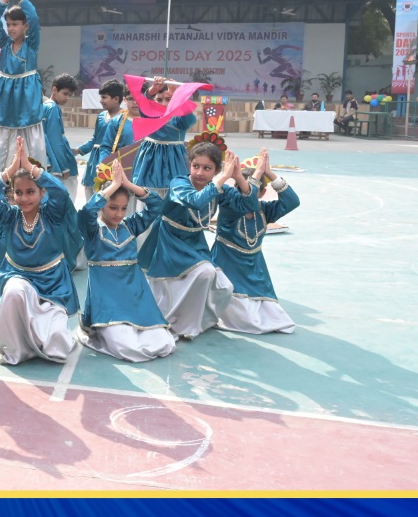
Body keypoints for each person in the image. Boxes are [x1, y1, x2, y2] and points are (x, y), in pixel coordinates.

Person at [0, 137, 79, 365]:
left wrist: (31, 168)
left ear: (42, 192)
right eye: (18, 192)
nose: (24, 198)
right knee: (14, 292)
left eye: (30, 192)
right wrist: (10, 171)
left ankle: (41, 338)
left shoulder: (52, 215)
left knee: (57, 347)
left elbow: (61, 193)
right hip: (18, 277)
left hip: (53, 284)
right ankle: (16, 348)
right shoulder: (9, 216)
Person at [77, 160, 175, 363]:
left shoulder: (130, 226)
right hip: (107, 302)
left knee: (164, 342)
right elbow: (86, 211)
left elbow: (157, 205)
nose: (119, 214)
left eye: (123, 208)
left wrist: (128, 185)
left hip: (136, 297)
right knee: (127, 347)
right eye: (113, 207)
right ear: (102, 204)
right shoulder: (93, 231)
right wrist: (113, 185)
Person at [140, 142, 235, 338]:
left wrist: (240, 177)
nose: (199, 172)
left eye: (207, 168)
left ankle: (193, 321)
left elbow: (247, 205)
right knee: (181, 281)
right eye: (195, 166)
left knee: (224, 286)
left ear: (216, 170)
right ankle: (174, 322)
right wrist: (223, 178)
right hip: (168, 241)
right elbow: (194, 201)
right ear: (189, 165)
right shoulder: (179, 183)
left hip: (194, 243)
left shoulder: (217, 188)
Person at [212, 149, 300, 334]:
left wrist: (269, 173)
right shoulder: (230, 208)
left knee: (275, 317)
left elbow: (292, 201)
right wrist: (256, 173)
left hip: (256, 272)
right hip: (228, 268)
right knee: (246, 317)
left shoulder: (265, 211)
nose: (246, 193)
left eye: (254, 190)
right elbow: (248, 201)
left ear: (262, 192)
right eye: (240, 187)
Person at [0, 0, 46, 168]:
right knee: (0, 137)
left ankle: (30, 170)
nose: (10, 28)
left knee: (29, 135)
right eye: (8, 24)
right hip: (4, 97)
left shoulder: (31, 44)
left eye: (15, 24)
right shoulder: (4, 43)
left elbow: (34, 18)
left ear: (25, 26)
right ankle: (2, 172)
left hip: (26, 96)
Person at [129, 77, 201, 195]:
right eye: (159, 99)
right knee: (147, 193)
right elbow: (144, 105)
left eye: (168, 99)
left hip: (174, 161)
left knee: (174, 193)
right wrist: (152, 90)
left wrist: (176, 94)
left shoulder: (179, 119)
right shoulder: (149, 115)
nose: (164, 103)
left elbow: (189, 118)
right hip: (149, 161)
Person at [77, 81, 128, 198]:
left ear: (116, 99)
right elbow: (95, 139)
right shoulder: (101, 116)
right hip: (94, 161)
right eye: (101, 97)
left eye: (104, 97)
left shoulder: (124, 119)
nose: (101, 101)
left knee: (108, 195)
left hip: (112, 161)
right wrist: (78, 150)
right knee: (90, 192)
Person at [42, 74, 80, 200]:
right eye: (65, 93)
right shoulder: (53, 108)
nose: (67, 98)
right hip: (58, 163)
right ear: (54, 90)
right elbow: (55, 140)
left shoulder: (45, 106)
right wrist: (64, 167)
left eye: (69, 95)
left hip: (49, 160)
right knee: (67, 200)